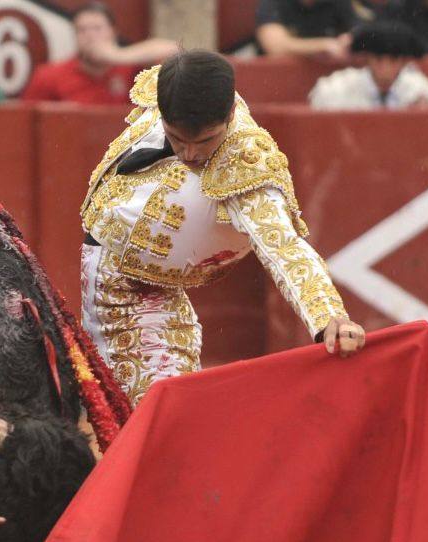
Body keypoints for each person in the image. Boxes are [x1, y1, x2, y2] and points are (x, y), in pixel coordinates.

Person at [79, 51, 365, 405]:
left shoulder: (244, 160)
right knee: (161, 409)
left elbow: (283, 246)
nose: (189, 154)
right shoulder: (180, 87)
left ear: (229, 115)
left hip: (142, 290)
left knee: (163, 410)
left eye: (205, 141)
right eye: (176, 138)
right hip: (125, 285)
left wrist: (329, 316)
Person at [22, 2, 179, 105]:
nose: (90, 36)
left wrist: (116, 56)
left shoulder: (132, 71)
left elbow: (174, 50)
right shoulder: (49, 75)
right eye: (82, 30)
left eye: (97, 28)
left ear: (113, 32)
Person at [309, 20, 428, 109]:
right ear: (367, 58)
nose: (386, 67)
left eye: (393, 60)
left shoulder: (419, 89)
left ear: (404, 62)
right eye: (378, 59)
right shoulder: (337, 87)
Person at [255, 0, 358, 61]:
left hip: (329, 80)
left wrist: (349, 39)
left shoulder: (338, 2)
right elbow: (275, 47)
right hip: (279, 78)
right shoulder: (273, 3)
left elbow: (359, 29)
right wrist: (323, 45)